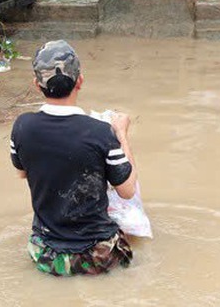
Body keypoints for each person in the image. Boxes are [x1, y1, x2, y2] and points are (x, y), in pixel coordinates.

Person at [10, 40, 139, 276]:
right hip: (98, 257)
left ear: (37, 85)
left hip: (45, 255)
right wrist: (121, 133)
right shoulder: (101, 132)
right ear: (79, 81)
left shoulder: (22, 127)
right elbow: (127, 191)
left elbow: (22, 172)